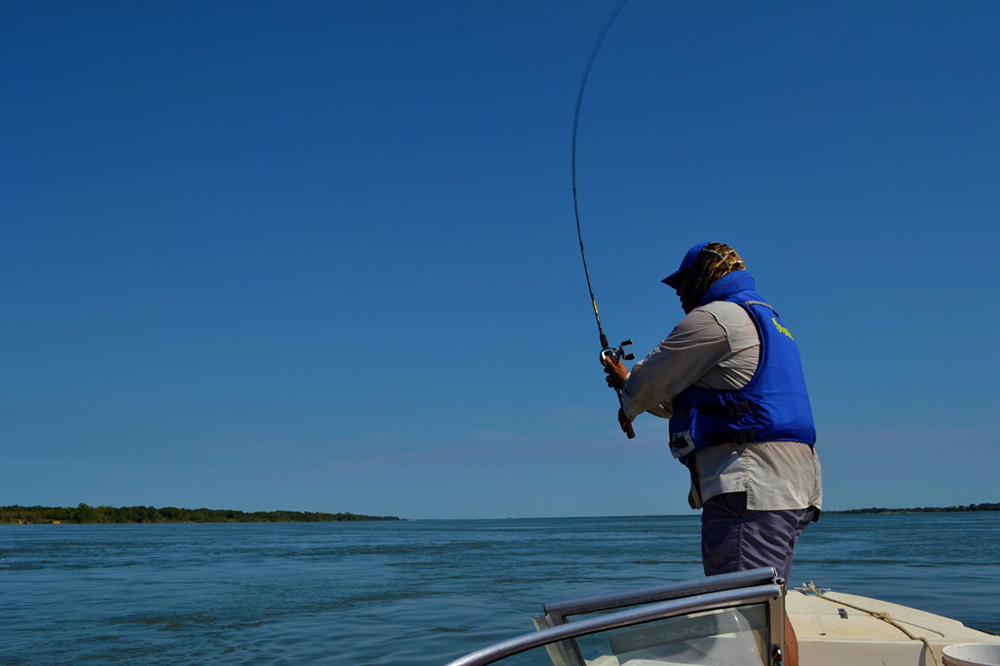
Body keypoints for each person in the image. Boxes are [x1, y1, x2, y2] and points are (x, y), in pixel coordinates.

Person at [602, 242, 822, 665]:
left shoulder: (715, 318)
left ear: (707, 277)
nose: (680, 295)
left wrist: (629, 391)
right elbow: (692, 400)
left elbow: (655, 378)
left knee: (748, 615)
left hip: (751, 485)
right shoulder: (767, 320)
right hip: (790, 483)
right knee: (768, 606)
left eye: (683, 285)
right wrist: (631, 384)